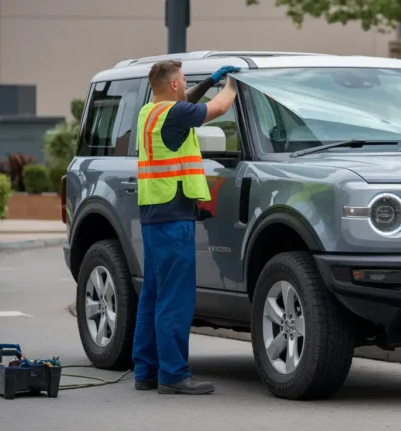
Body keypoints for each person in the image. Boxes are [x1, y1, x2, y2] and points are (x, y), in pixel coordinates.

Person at [132, 60, 239, 395]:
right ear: (175, 85)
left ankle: (146, 372)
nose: (185, 85)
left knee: (152, 295)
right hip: (173, 215)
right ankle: (174, 375)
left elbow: (186, 103)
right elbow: (219, 107)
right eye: (183, 80)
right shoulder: (175, 115)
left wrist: (208, 80)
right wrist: (235, 83)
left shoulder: (149, 111)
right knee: (175, 299)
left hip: (153, 215)